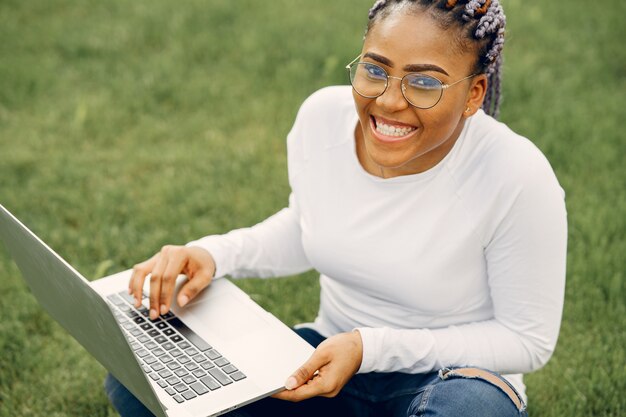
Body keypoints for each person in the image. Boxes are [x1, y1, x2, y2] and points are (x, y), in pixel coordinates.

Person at [105, 0, 567, 416]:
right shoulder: (322, 119)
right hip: (328, 365)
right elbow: (308, 227)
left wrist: (371, 348)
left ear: (473, 93)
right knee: (138, 380)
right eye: (376, 69)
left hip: (453, 380)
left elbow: (526, 340)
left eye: (425, 82)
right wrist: (212, 255)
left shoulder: (516, 174)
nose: (388, 101)